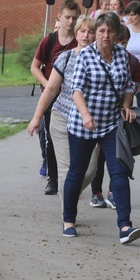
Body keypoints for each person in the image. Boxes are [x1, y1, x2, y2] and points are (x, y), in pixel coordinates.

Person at [63, 12, 140, 244]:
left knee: (119, 172)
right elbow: (76, 89)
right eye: (101, 31)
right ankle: (68, 220)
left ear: (116, 33)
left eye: (110, 31)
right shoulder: (85, 56)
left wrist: (126, 106)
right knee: (77, 172)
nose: (106, 35)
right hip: (83, 125)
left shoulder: (122, 55)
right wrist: (86, 115)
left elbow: (128, 85)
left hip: (110, 124)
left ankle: (125, 226)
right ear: (96, 33)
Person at [27, 17, 99, 210]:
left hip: (90, 123)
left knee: (90, 170)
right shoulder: (65, 58)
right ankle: (68, 215)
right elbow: (50, 89)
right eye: (82, 31)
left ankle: (69, 194)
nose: (86, 35)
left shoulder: (101, 59)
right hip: (63, 117)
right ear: (76, 34)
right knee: (67, 171)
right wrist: (36, 118)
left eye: (91, 32)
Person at [31, 0, 81, 195]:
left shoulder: (81, 41)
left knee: (74, 137)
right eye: (67, 17)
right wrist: (48, 84)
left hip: (75, 98)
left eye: (74, 18)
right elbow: (34, 67)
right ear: (59, 17)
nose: (71, 22)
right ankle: (53, 178)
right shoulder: (49, 41)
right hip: (52, 97)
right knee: (51, 138)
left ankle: (73, 176)